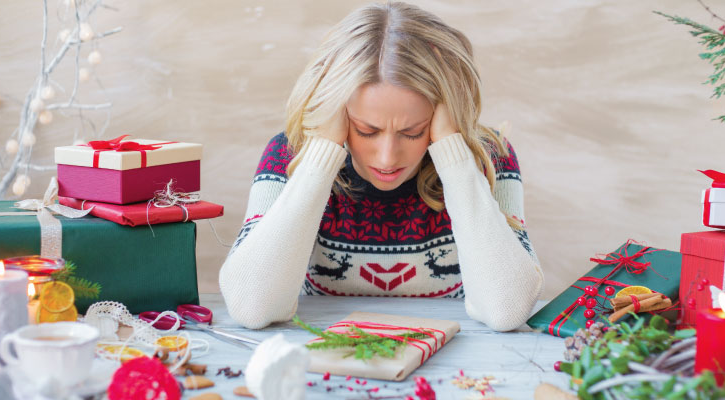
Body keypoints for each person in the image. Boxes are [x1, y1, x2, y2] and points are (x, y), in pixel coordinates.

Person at [219, 1, 543, 331]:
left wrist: (452, 151)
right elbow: (251, 305)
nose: (388, 158)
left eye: (413, 132)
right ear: (339, 112)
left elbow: (507, 309)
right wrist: (321, 155)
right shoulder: (289, 155)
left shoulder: (490, 157)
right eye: (366, 130)